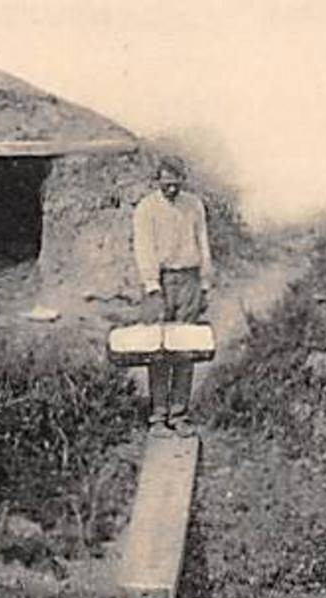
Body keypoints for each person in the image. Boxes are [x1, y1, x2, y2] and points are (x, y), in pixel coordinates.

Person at [132, 156, 212, 436]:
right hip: (161, 281)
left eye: (176, 184)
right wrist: (152, 287)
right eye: (166, 184)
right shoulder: (147, 208)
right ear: (157, 181)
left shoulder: (194, 205)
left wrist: (204, 285)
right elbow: (144, 249)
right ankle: (158, 416)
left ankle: (179, 414)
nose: (171, 190)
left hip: (189, 278)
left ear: (183, 180)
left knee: (185, 346)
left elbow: (203, 243)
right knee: (158, 347)